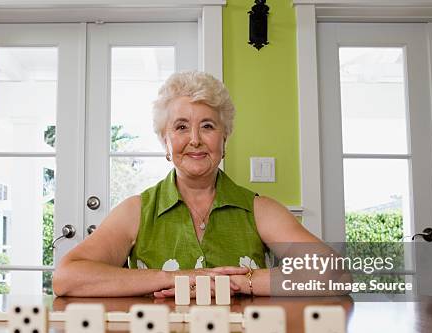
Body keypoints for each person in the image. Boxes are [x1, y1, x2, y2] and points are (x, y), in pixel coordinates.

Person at [53, 71, 350, 297]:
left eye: (207, 126)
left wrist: (239, 282)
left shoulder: (260, 209)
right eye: (181, 127)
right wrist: (176, 278)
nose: (194, 139)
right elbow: (66, 277)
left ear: (224, 139)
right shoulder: (135, 211)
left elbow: (337, 275)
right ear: (166, 143)